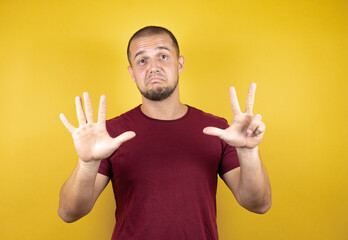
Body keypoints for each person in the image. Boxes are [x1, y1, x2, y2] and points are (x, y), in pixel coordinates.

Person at [58, 26, 271, 240]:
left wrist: (248, 151)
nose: (153, 67)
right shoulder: (109, 135)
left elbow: (259, 204)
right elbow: (69, 213)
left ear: (179, 64)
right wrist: (86, 164)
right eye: (142, 60)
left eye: (162, 56)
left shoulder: (218, 130)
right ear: (132, 73)